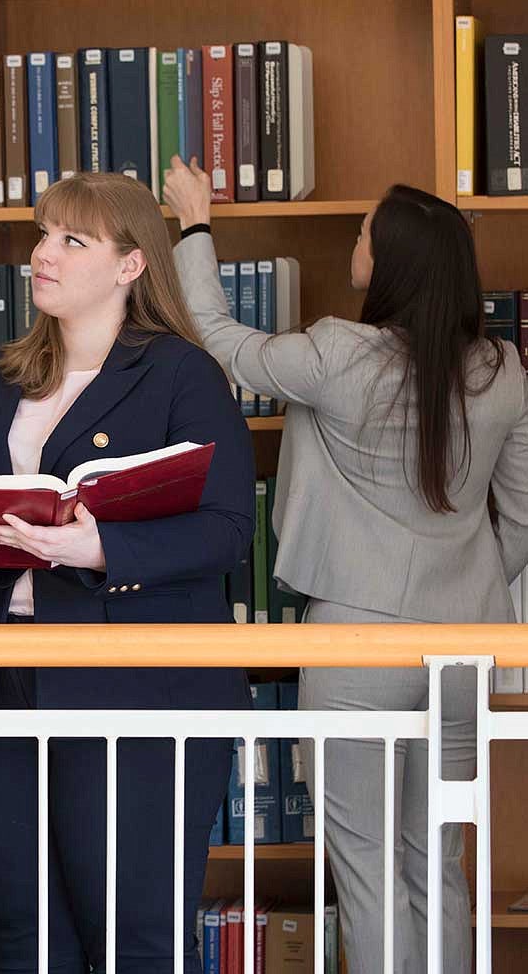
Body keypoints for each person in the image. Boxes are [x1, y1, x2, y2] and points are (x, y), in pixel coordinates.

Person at [164, 154, 528, 974]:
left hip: (356, 640)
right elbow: (527, 510)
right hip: (468, 645)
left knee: (365, 870)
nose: (355, 239)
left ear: (390, 262)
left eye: (365, 231)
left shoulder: (339, 356)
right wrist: (462, 582)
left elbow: (220, 336)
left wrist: (194, 224)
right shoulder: (504, 369)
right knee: (437, 859)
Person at [0, 171, 254, 974]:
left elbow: (228, 530)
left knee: (132, 935)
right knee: (22, 933)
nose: (41, 255)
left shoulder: (180, 374)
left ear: (131, 265)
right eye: (42, 234)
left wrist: (99, 550)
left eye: (71, 240)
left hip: (136, 681)